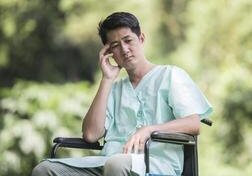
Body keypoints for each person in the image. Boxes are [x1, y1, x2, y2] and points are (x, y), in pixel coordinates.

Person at [31, 12, 212, 176]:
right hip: (106, 164)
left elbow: (193, 123)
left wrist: (149, 129)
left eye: (128, 40)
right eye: (115, 45)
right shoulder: (114, 89)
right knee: (44, 170)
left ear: (141, 38)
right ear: (109, 53)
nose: (124, 49)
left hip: (155, 164)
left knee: (116, 164)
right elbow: (91, 135)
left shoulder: (171, 75)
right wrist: (106, 79)